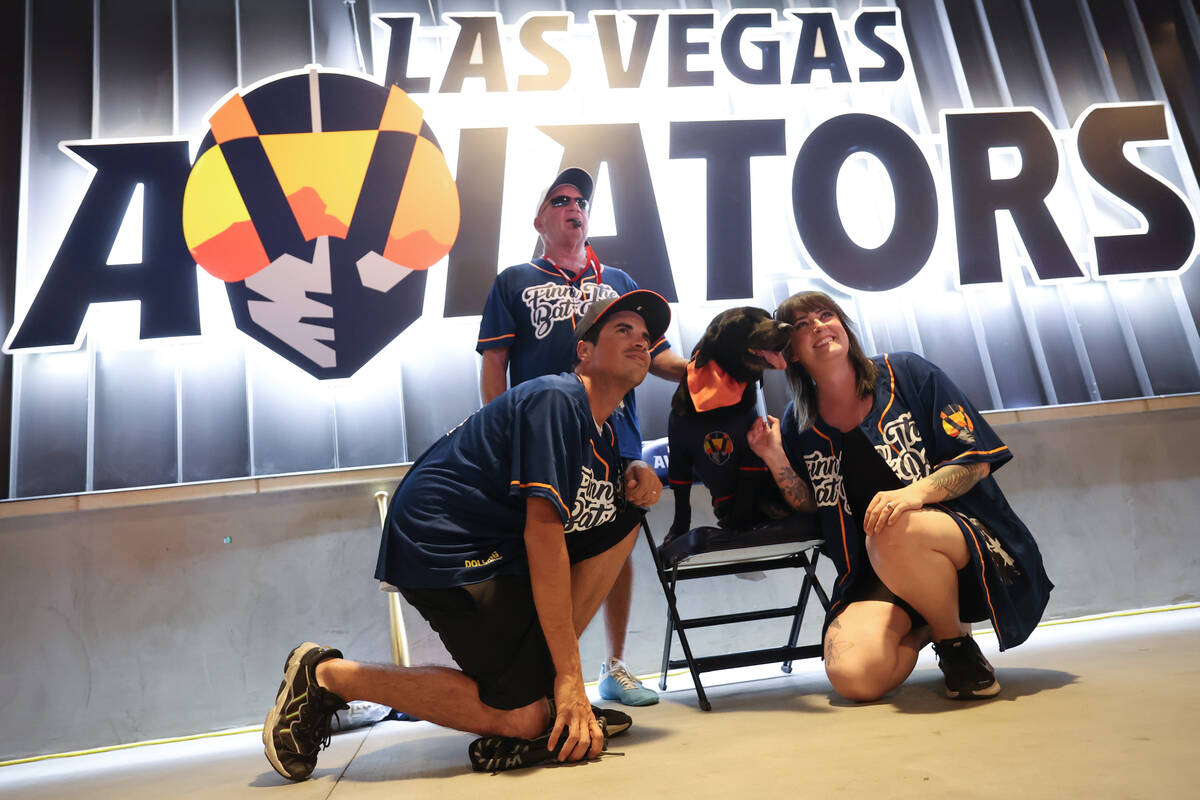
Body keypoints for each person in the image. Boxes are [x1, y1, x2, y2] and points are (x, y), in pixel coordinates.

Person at [264, 291, 672, 780]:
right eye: (622, 330)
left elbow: (589, 526)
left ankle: (545, 699)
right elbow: (544, 535)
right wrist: (570, 676)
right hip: (442, 541)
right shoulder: (557, 398)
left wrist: (635, 471)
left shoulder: (602, 433)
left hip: (494, 546)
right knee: (522, 720)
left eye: (646, 337)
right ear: (584, 351)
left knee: (624, 515)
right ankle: (327, 676)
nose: (640, 342)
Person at [747, 290, 1052, 702]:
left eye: (825, 315)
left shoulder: (906, 372)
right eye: (802, 326)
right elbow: (809, 503)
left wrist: (914, 494)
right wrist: (773, 456)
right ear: (793, 354)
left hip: (964, 547)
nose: (818, 326)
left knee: (893, 524)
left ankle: (956, 647)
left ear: (844, 327)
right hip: (874, 568)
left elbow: (976, 459)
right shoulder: (798, 424)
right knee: (854, 678)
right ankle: (929, 622)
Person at [476, 167, 687, 706]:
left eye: (581, 201)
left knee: (616, 544)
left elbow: (656, 355)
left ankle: (613, 666)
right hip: (544, 441)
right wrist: (500, 433)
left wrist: (704, 369)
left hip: (617, 439)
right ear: (539, 218)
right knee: (547, 548)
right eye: (560, 199)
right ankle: (546, 672)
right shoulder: (514, 280)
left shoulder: (617, 281)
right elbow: (494, 362)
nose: (574, 207)